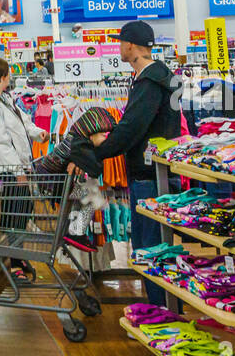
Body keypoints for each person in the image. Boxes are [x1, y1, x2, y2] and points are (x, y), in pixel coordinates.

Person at [78, 21, 183, 304]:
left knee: (150, 248)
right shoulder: (167, 78)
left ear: (131, 46)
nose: (119, 46)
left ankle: (161, 311)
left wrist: (97, 151)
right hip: (162, 171)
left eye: (121, 42)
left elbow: (132, 128)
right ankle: (167, 306)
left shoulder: (149, 82)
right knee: (161, 247)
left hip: (149, 177)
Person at [0, 56, 48, 280]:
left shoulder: (4, 98)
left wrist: (38, 132)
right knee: (14, 214)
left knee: (21, 211)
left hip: (19, 166)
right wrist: (17, 172)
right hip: (8, 170)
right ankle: (14, 259)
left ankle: (13, 254)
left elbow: (22, 121)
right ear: (5, 75)